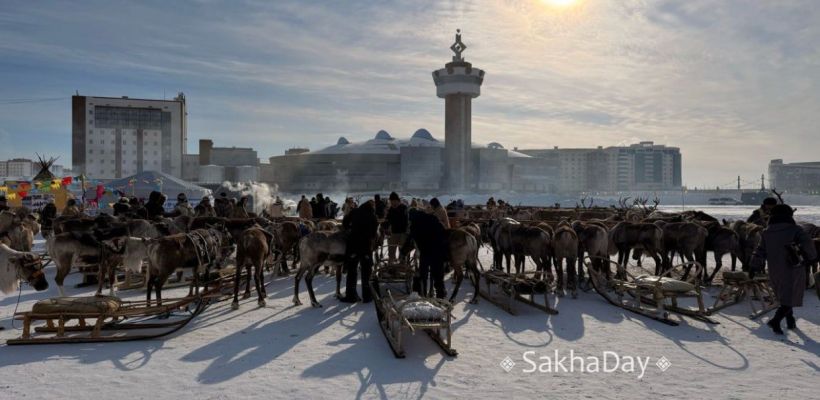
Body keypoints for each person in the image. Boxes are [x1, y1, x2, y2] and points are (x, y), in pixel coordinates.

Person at [750, 204, 817, 334]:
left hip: (774, 269)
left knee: (784, 295)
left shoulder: (767, 232)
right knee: (790, 295)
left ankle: (790, 320)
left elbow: (760, 250)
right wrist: (812, 258)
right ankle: (775, 321)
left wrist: (754, 266)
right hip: (794, 268)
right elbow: (808, 245)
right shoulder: (796, 230)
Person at [404, 208, 448, 298]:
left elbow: (410, 240)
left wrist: (403, 252)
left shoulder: (415, 224)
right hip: (438, 251)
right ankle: (441, 297)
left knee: (422, 274)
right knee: (438, 276)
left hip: (425, 252)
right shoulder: (433, 218)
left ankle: (421, 295)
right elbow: (443, 232)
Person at [340, 200, 379, 303]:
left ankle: (351, 296)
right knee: (366, 271)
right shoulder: (372, 216)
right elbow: (374, 233)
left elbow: (345, 222)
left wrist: (350, 229)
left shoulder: (354, 211)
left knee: (352, 271)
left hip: (353, 245)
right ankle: (367, 296)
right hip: (366, 247)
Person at [385, 192, 409, 263]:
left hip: (403, 233)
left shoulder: (403, 208)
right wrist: (386, 226)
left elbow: (406, 221)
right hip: (393, 233)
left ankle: (402, 264)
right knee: (391, 251)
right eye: (391, 202)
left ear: (397, 201)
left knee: (402, 252)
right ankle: (391, 265)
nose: (392, 203)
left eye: (393, 201)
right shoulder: (391, 209)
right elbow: (388, 220)